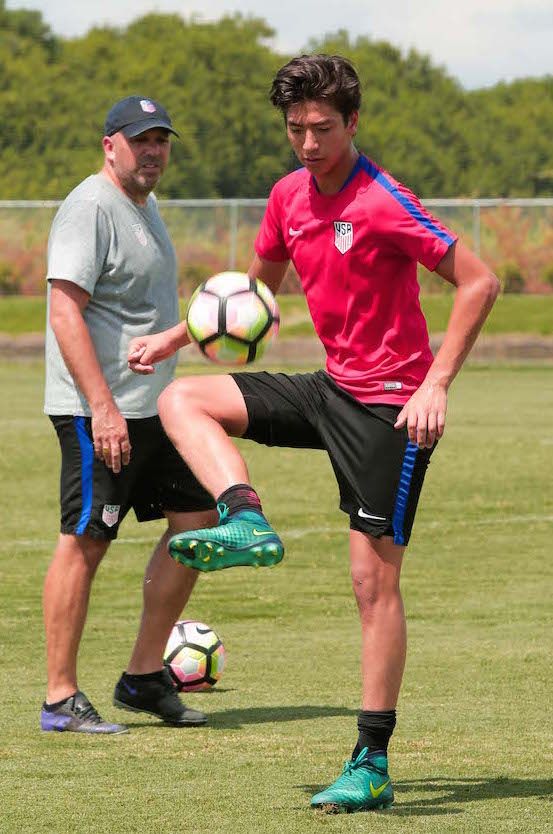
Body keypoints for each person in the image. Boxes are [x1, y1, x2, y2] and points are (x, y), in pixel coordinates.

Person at [129, 55, 499, 809]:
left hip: (391, 408)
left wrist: (435, 385)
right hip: (330, 390)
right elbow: (254, 293)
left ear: (352, 122)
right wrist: (174, 339)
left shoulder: (384, 200)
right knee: (182, 401)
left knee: (372, 584)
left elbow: (480, 280)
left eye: (321, 128)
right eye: (295, 129)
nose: (306, 143)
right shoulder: (286, 197)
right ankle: (245, 516)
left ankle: (370, 761)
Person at [42, 95, 216, 734]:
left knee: (199, 522)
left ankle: (143, 677)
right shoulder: (91, 205)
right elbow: (66, 311)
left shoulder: (146, 206)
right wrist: (102, 408)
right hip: (101, 412)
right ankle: (60, 696)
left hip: (156, 409)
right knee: (86, 541)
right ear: (108, 143)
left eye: (161, 140)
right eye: (139, 139)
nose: (152, 150)